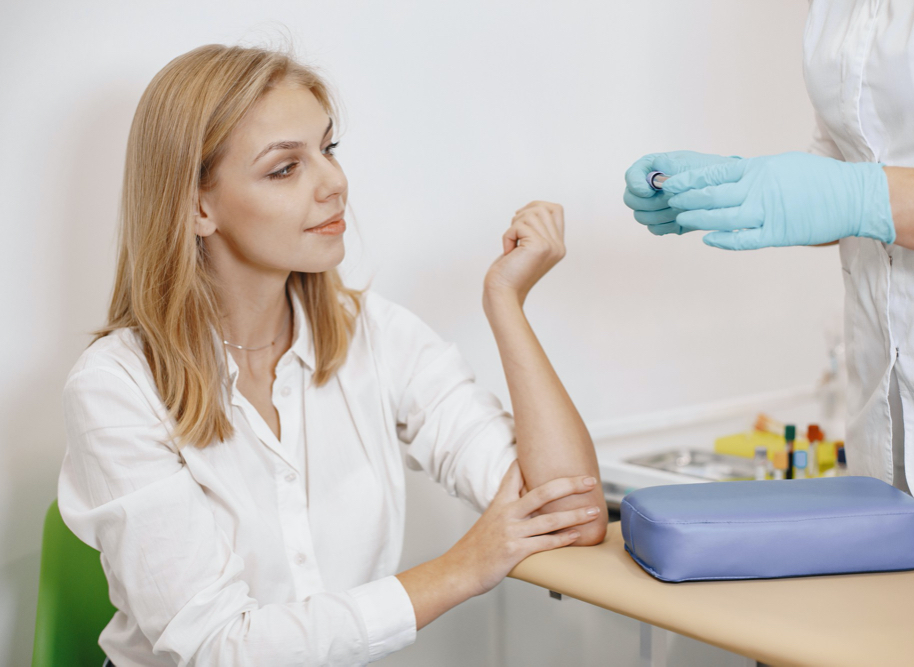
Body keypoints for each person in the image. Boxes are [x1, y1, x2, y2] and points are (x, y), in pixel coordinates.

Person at [59, 44, 607, 666]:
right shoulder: (116, 387)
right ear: (197, 208)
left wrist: (506, 301)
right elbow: (218, 650)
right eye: (284, 169)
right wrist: (461, 569)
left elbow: (571, 512)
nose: (334, 182)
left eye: (328, 148)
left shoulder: (374, 335)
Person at [623, 2, 914, 562]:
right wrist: (740, 188)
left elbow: (859, 193)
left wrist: (858, 195)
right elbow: (845, 173)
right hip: (888, 452)